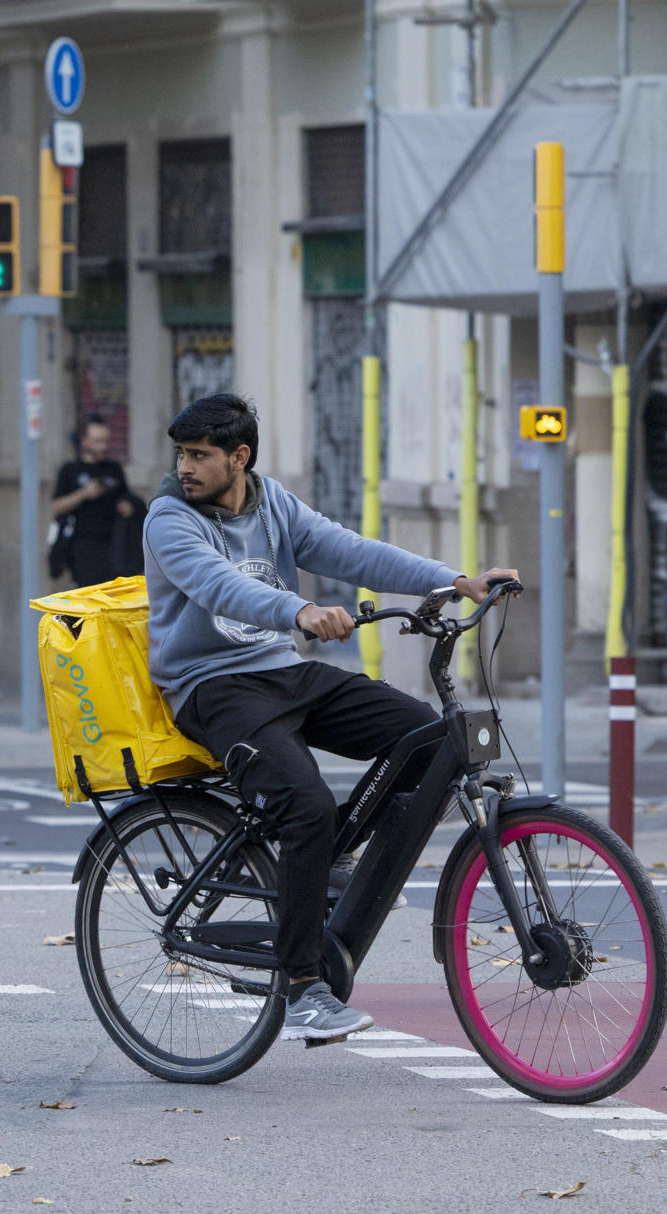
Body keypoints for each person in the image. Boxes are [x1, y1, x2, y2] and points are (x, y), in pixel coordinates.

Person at [143, 394, 517, 1044]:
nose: (186, 467)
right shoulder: (169, 519)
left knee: (424, 738)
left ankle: (331, 864)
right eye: (182, 453)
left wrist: (454, 582)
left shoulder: (273, 504)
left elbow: (348, 552)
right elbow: (218, 585)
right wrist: (297, 611)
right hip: (213, 688)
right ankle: (301, 988)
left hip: (281, 672)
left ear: (240, 457)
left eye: (200, 455)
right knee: (306, 805)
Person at [50, 415, 137, 587]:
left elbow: (127, 496)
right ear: (84, 441)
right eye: (97, 441)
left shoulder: (114, 469)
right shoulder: (70, 470)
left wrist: (128, 506)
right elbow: (56, 506)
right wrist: (84, 493)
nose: (103, 447)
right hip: (83, 549)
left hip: (113, 548)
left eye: (106, 441)